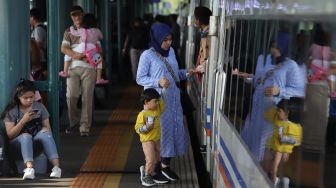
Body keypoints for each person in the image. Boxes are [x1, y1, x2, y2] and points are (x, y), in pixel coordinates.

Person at [136, 23, 195, 181]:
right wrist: (158, 81)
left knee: (172, 132)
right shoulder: (147, 55)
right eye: (165, 40)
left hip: (174, 101)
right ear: (156, 38)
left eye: (170, 39)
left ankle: (165, 166)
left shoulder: (172, 52)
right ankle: (153, 169)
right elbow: (140, 78)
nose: (169, 43)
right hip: (158, 103)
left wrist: (189, 72)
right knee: (159, 134)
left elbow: (176, 75)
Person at [238, 32, 306, 162]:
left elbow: (299, 90)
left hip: (272, 112)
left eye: (278, 47)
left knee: (263, 145)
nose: (274, 50)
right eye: (273, 46)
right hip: (256, 108)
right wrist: (247, 78)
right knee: (249, 140)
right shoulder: (266, 61)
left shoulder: (291, 65)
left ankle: (259, 174)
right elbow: (260, 82)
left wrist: (279, 91)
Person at [0, 80, 61, 180]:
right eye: (25, 98)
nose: (29, 100)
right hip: (16, 147)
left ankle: (56, 167)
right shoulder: (12, 110)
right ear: (18, 97)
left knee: (46, 134)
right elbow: (10, 135)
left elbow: (47, 128)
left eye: (31, 97)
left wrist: (44, 129)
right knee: (25, 136)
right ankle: (29, 168)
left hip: (35, 146)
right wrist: (23, 121)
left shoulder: (40, 107)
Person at [61, 6, 96, 136]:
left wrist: (90, 58)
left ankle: (85, 127)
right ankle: (73, 121)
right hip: (73, 68)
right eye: (73, 15)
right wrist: (78, 55)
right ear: (71, 17)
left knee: (87, 97)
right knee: (71, 96)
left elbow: (98, 51)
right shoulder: (68, 32)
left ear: (83, 14)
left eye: (78, 15)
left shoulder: (92, 30)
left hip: (89, 68)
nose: (76, 18)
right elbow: (64, 49)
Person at [59, 13, 108, 85]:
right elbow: (101, 37)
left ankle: (65, 72)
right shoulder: (97, 31)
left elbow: (74, 32)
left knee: (68, 54)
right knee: (99, 61)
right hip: (92, 50)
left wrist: (72, 27)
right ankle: (99, 78)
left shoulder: (82, 30)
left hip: (82, 47)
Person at [263, 99, 302, 187]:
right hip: (274, 148)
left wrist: (283, 139)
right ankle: (279, 180)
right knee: (270, 167)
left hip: (280, 149)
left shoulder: (293, 126)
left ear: (286, 112)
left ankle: (274, 182)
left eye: (279, 111)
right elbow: (266, 115)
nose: (277, 113)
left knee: (273, 169)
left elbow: (296, 140)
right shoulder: (277, 118)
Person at [135, 88, 169, 186]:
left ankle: (152, 172)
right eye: (155, 101)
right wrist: (146, 128)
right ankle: (146, 175)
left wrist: (163, 91)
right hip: (147, 140)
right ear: (146, 102)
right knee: (151, 158)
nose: (158, 103)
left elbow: (163, 105)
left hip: (157, 139)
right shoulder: (142, 114)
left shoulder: (156, 110)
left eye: (158, 101)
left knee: (158, 157)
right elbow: (137, 128)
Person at [194, 6, 212, 79]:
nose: (194, 21)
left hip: (207, 74)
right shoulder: (205, 32)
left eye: (195, 18)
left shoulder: (208, 34)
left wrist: (201, 67)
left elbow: (208, 56)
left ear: (198, 20)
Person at [30, 8, 47, 80]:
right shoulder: (42, 27)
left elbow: (38, 46)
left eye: (29, 17)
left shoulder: (38, 30)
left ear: (33, 17)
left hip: (40, 60)